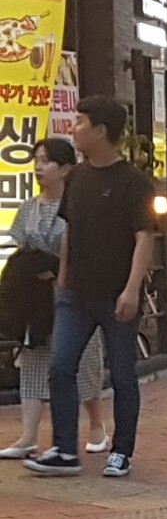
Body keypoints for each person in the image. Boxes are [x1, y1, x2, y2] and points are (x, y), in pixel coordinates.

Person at [25, 95, 155, 478]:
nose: (74, 128)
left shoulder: (134, 182)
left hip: (117, 295)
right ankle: (65, 450)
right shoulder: (77, 177)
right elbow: (70, 229)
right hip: (75, 294)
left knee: (122, 374)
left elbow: (145, 237)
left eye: (80, 122)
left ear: (101, 131)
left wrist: (132, 289)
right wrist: (64, 276)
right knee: (61, 367)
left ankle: (121, 451)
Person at [0, 138, 109, 460]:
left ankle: (97, 425)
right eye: (36, 161)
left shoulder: (80, 207)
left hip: (73, 295)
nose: (38, 167)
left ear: (65, 168)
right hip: (34, 299)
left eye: (46, 161)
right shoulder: (29, 207)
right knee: (33, 360)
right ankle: (28, 436)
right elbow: (19, 246)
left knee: (83, 361)